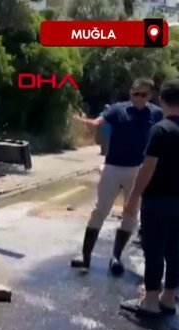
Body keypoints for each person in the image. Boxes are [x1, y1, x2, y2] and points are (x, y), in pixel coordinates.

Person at [71, 78, 163, 276]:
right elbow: (99, 121)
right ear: (130, 93)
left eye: (143, 94)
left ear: (150, 96)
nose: (138, 98)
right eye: (135, 93)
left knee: (130, 214)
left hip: (137, 169)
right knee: (100, 210)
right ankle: (85, 257)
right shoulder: (118, 109)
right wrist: (86, 121)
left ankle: (116, 257)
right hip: (113, 167)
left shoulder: (156, 113)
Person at [120, 79, 179, 315]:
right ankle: (169, 297)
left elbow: (148, 167)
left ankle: (150, 301)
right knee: (176, 250)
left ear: (162, 100)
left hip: (157, 201)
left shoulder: (160, 130)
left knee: (153, 249)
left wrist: (133, 197)